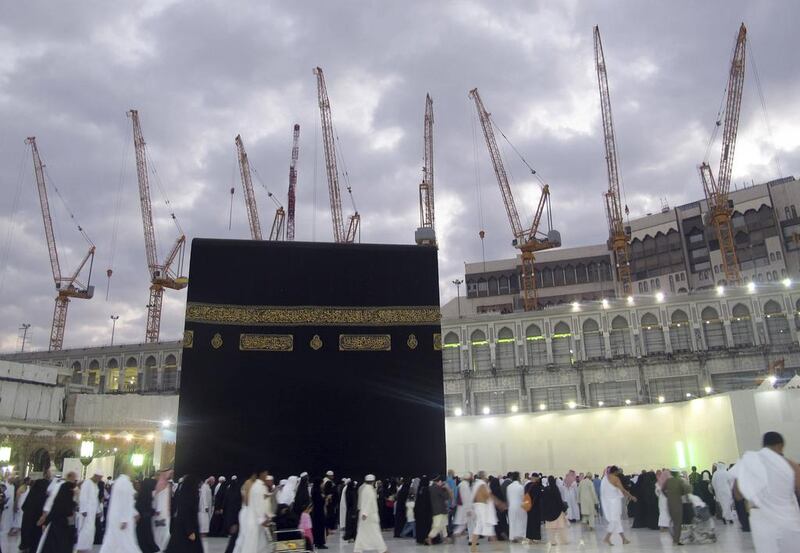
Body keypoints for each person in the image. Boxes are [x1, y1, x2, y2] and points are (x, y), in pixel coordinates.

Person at [735, 431, 800, 553]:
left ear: (764, 445)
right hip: (786, 516)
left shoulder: (749, 462)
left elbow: (738, 495)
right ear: (781, 445)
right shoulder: (791, 465)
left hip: (761, 518)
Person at [99, 474, 141, 553]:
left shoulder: (122, 482)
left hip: (120, 519)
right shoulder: (123, 483)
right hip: (122, 520)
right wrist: (124, 519)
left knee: (118, 542)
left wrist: (134, 513)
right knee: (123, 543)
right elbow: (123, 502)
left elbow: (127, 503)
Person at [36, 472, 76, 553]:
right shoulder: (64, 486)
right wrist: (45, 518)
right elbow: (53, 503)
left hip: (60, 521)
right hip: (58, 521)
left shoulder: (66, 487)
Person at [165, 474, 202, 553]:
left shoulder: (187, 494)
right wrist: (190, 531)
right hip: (186, 530)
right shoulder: (189, 496)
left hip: (186, 529)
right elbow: (185, 513)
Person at [601, 466, 636, 546]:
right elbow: (622, 490)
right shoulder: (615, 479)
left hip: (607, 503)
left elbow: (603, 492)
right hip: (614, 503)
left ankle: (623, 539)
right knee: (614, 520)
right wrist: (631, 497)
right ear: (616, 472)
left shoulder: (604, 479)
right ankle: (607, 538)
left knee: (617, 521)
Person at [237, 469, 271, 553]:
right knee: (251, 545)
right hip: (253, 519)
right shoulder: (257, 486)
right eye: (265, 473)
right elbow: (257, 505)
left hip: (253, 518)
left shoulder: (257, 485)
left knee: (256, 544)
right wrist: (263, 519)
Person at [353, 475, 387, 553]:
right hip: (369, 516)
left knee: (362, 533)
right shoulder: (369, 490)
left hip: (365, 515)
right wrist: (365, 513)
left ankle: (357, 549)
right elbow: (368, 502)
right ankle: (383, 549)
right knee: (376, 533)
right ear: (373, 481)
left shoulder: (365, 489)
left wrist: (364, 513)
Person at [469, 471, 497, 553]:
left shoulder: (476, 484)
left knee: (480, 526)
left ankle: (496, 546)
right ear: (483, 477)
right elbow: (488, 496)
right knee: (486, 525)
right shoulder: (481, 484)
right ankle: (496, 546)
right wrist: (499, 503)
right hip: (482, 507)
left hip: (479, 507)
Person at [76, 471, 103, 553]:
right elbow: (83, 497)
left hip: (92, 513)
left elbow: (95, 499)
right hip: (86, 512)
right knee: (84, 530)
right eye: (99, 477)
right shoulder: (87, 483)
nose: (100, 479)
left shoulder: (95, 485)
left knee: (91, 530)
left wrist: (98, 510)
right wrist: (83, 510)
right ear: (95, 476)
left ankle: (86, 549)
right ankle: (81, 550)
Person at [664, 469, 691, 546]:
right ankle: (676, 540)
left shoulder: (667, 481)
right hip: (677, 503)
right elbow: (686, 490)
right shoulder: (679, 481)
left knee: (673, 521)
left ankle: (674, 538)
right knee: (678, 522)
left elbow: (662, 490)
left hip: (669, 503)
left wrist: (667, 496)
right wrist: (687, 498)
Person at [540, 476, 568, 546]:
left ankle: (553, 541)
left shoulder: (546, 489)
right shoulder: (555, 488)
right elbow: (559, 500)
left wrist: (544, 512)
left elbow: (543, 501)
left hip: (549, 512)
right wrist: (564, 509)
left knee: (551, 529)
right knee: (561, 527)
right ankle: (563, 540)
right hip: (557, 511)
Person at [135, 477, 159, 553]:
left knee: (144, 537)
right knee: (146, 537)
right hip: (144, 519)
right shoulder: (146, 494)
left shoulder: (144, 493)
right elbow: (144, 507)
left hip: (143, 519)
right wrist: (152, 512)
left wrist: (152, 512)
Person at [426, 476, 451, 544]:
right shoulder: (438, 488)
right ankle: (429, 537)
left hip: (436, 509)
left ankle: (445, 538)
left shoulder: (430, 488)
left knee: (443, 525)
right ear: (439, 481)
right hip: (440, 510)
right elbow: (447, 497)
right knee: (437, 525)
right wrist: (447, 488)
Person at [154, 469, 173, 550]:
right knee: (160, 529)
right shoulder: (160, 484)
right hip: (160, 512)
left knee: (166, 529)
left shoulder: (168, 485)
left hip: (166, 512)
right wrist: (158, 510)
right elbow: (158, 499)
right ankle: (159, 546)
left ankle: (165, 546)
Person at [504, 472, 525, 542]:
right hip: (519, 506)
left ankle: (512, 537)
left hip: (511, 506)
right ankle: (519, 536)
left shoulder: (509, 487)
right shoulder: (520, 487)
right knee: (520, 521)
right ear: (518, 478)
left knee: (512, 522)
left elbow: (508, 497)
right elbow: (523, 497)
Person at [223, 476, 242, 553]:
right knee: (234, 540)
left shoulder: (228, 491)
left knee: (234, 540)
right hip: (235, 519)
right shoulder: (237, 493)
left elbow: (225, 505)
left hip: (229, 517)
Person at [452, 473, 474, 537]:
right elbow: (467, 498)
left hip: (463, 508)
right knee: (467, 524)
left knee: (464, 524)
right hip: (465, 508)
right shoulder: (465, 485)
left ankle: (471, 539)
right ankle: (455, 534)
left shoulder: (461, 484)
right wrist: (469, 509)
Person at [523, 474, 543, 543]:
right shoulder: (537, 486)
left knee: (529, 523)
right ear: (536, 478)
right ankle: (535, 538)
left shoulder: (527, 485)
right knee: (536, 523)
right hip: (535, 508)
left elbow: (525, 494)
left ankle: (530, 539)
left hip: (528, 507)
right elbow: (538, 497)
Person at [413, 476, 432, 545]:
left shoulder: (419, 489)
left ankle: (420, 539)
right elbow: (428, 502)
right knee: (426, 526)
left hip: (419, 512)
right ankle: (426, 539)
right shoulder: (427, 489)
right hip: (426, 512)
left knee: (420, 526)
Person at [311, 478, 327, 549]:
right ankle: (320, 543)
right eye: (322, 483)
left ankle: (317, 542)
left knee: (317, 528)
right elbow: (319, 502)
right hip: (319, 513)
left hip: (316, 513)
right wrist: (324, 498)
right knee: (320, 528)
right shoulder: (317, 492)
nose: (323, 485)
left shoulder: (315, 491)